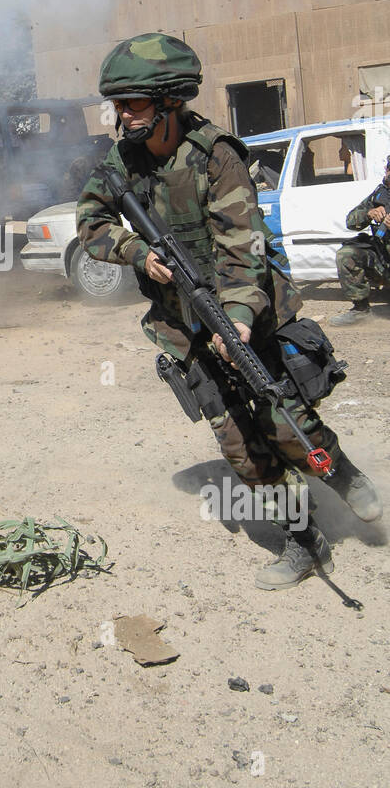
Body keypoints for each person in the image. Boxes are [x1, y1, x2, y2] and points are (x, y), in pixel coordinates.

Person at [76, 33, 381, 591]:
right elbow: (91, 224)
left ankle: (341, 473)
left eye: (133, 103)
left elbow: (246, 252)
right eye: (118, 103)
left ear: (170, 100)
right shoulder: (122, 159)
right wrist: (138, 253)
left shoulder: (217, 156)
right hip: (182, 328)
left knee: (282, 417)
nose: (121, 114)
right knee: (239, 445)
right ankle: (304, 542)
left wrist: (236, 320)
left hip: (245, 310)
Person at [330, 153, 390, 326]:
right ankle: (360, 310)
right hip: (383, 263)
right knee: (347, 254)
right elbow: (351, 221)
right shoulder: (380, 195)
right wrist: (368, 214)